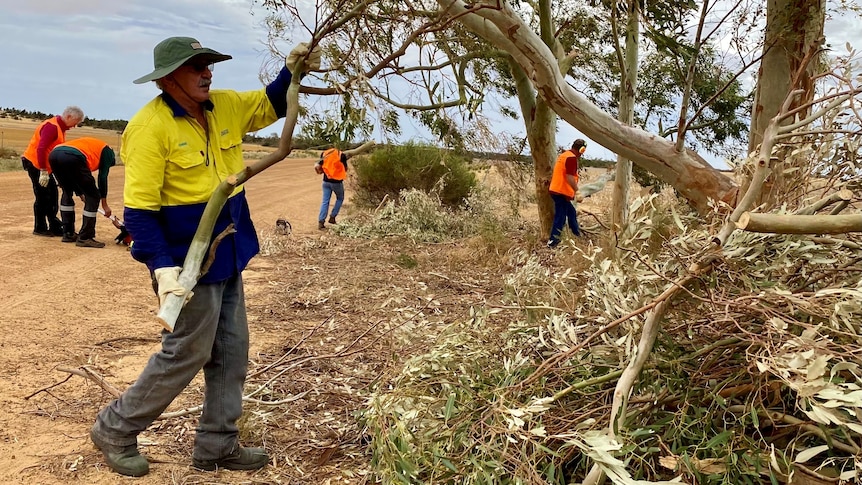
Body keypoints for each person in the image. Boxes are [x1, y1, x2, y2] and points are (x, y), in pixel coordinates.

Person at [89, 36, 319, 477]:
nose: (207, 73)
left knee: (232, 351)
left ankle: (217, 445)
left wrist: (294, 70)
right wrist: (163, 270)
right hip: (185, 261)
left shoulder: (226, 105)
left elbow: (273, 102)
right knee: (187, 351)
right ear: (169, 77)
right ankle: (115, 427)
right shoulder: (149, 127)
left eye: (209, 65)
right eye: (197, 67)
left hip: (228, 247)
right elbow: (138, 211)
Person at [21, 106, 85, 237]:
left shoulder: (60, 128)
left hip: (45, 166)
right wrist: (43, 171)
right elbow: (41, 148)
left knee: (53, 195)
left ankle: (54, 226)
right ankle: (40, 227)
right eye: (76, 122)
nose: (75, 126)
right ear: (68, 117)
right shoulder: (52, 127)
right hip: (35, 164)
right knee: (43, 196)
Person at [48, 137, 116, 247]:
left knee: (67, 190)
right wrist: (104, 204)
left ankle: (68, 233)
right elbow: (102, 177)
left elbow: (75, 178)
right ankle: (85, 237)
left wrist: (80, 193)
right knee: (93, 196)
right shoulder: (108, 153)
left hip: (54, 154)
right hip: (73, 156)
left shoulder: (93, 145)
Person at [547, 139, 586, 248]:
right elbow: (569, 177)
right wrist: (577, 191)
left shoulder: (565, 155)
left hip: (557, 190)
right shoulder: (571, 158)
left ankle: (576, 234)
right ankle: (553, 241)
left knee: (571, 212)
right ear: (581, 150)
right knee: (560, 217)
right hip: (561, 191)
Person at [315, 147, 348, 229]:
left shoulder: (324, 154)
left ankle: (321, 221)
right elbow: (345, 168)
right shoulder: (341, 155)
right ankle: (332, 217)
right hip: (337, 182)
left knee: (325, 201)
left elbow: (320, 166)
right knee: (340, 198)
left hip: (326, 181)